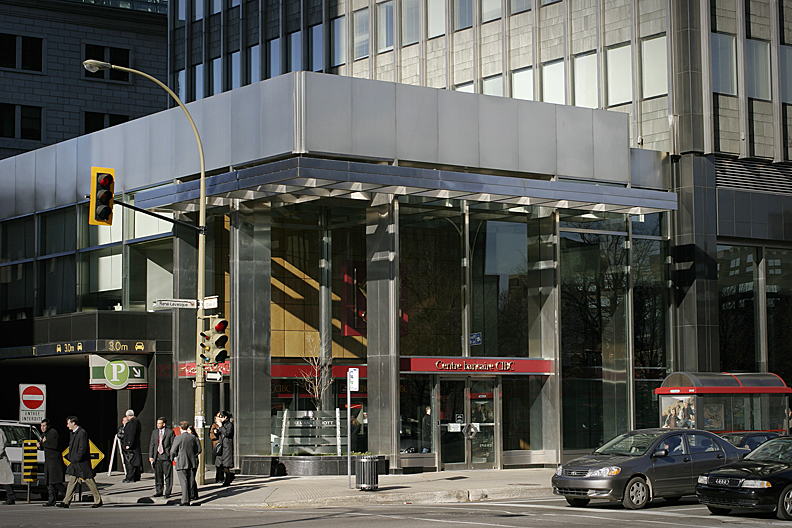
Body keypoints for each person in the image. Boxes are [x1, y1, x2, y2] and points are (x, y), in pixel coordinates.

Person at [57, 416, 102, 508]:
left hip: (81, 463)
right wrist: (71, 457)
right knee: (72, 481)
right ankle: (66, 501)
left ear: (73, 423)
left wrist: (77, 458)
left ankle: (98, 500)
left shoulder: (82, 433)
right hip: (74, 463)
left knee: (89, 481)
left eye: (68, 423)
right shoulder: (73, 433)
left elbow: (82, 448)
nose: (67, 425)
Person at [170, 421, 201, 506]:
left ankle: (185, 500)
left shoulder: (178, 438)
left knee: (184, 482)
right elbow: (199, 449)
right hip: (191, 461)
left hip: (181, 461)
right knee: (190, 481)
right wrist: (193, 455)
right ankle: (189, 497)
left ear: (180, 428)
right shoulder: (193, 437)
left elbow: (172, 450)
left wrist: (173, 458)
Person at [38, 418, 66, 506]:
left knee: (56, 482)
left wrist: (43, 443)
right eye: (41, 426)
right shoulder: (44, 434)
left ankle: (67, 495)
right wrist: (40, 445)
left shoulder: (53, 433)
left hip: (54, 461)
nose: (42, 428)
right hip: (48, 461)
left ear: (48, 426)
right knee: (49, 482)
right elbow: (45, 445)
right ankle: (52, 500)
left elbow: (54, 445)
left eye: (44, 426)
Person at [148, 417, 175, 498]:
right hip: (157, 457)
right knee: (158, 475)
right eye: (157, 423)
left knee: (168, 476)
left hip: (166, 457)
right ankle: (159, 491)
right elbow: (152, 444)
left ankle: (168, 492)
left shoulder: (170, 432)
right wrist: (151, 456)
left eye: (159, 423)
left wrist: (171, 455)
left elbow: (173, 444)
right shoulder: (155, 432)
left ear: (164, 424)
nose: (158, 425)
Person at [215, 411, 235, 486]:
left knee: (226, 465)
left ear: (225, 417)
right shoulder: (223, 425)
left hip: (227, 447)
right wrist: (216, 432)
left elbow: (227, 433)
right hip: (222, 446)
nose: (220, 418)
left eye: (221, 417)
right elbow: (220, 434)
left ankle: (228, 479)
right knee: (220, 464)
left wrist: (221, 427)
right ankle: (228, 477)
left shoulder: (229, 424)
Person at [122, 409, 143, 483]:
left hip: (131, 446)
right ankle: (135, 476)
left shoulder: (133, 422)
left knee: (130, 461)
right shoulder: (135, 422)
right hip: (134, 445)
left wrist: (129, 444)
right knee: (134, 461)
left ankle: (130, 477)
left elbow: (132, 433)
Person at [0, 427, 15, 505]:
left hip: (1, 458)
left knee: (5, 477)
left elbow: (1, 445)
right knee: (4, 477)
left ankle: (11, 496)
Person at [208, 414, 223, 483]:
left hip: (223, 445)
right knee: (218, 462)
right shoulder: (214, 426)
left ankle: (221, 477)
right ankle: (219, 477)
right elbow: (211, 436)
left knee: (222, 462)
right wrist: (217, 433)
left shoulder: (223, 425)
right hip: (218, 446)